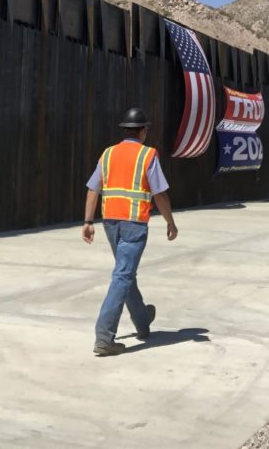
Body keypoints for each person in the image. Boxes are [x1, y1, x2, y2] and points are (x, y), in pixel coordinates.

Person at [82, 108, 178, 356]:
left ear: (125, 130)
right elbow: (159, 194)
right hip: (134, 223)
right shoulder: (147, 155)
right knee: (123, 276)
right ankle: (104, 338)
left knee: (126, 274)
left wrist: (88, 221)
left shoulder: (108, 154)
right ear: (143, 131)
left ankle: (143, 321)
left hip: (110, 223)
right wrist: (170, 222)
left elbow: (93, 189)